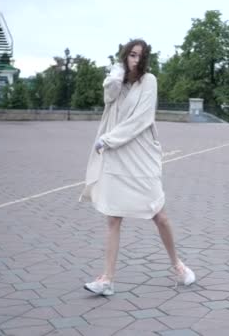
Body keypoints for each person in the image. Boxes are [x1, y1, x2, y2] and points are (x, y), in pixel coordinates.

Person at [79, 39, 195, 296]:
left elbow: (142, 119)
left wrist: (108, 140)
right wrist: (115, 76)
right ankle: (107, 279)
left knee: (159, 214)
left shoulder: (149, 81)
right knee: (113, 217)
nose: (134, 59)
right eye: (131, 54)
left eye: (139, 56)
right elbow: (108, 98)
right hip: (117, 156)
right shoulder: (118, 82)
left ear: (145, 60)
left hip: (140, 155)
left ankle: (178, 265)